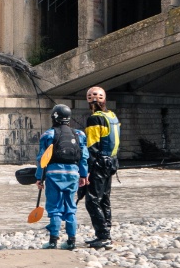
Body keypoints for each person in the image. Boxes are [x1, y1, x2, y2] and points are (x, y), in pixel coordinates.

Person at [35, 104, 89, 250]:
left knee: (54, 208)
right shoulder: (80, 135)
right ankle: (71, 241)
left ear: (54, 117)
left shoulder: (48, 135)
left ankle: (53, 241)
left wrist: (39, 178)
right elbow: (83, 157)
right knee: (70, 207)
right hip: (73, 174)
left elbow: (42, 158)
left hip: (53, 174)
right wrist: (83, 175)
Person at [83, 86, 121, 248]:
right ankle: (107, 233)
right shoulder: (112, 116)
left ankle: (103, 235)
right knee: (104, 199)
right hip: (112, 162)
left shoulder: (94, 119)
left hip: (99, 163)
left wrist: (86, 170)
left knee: (92, 201)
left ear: (89, 101)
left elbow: (91, 146)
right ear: (104, 100)